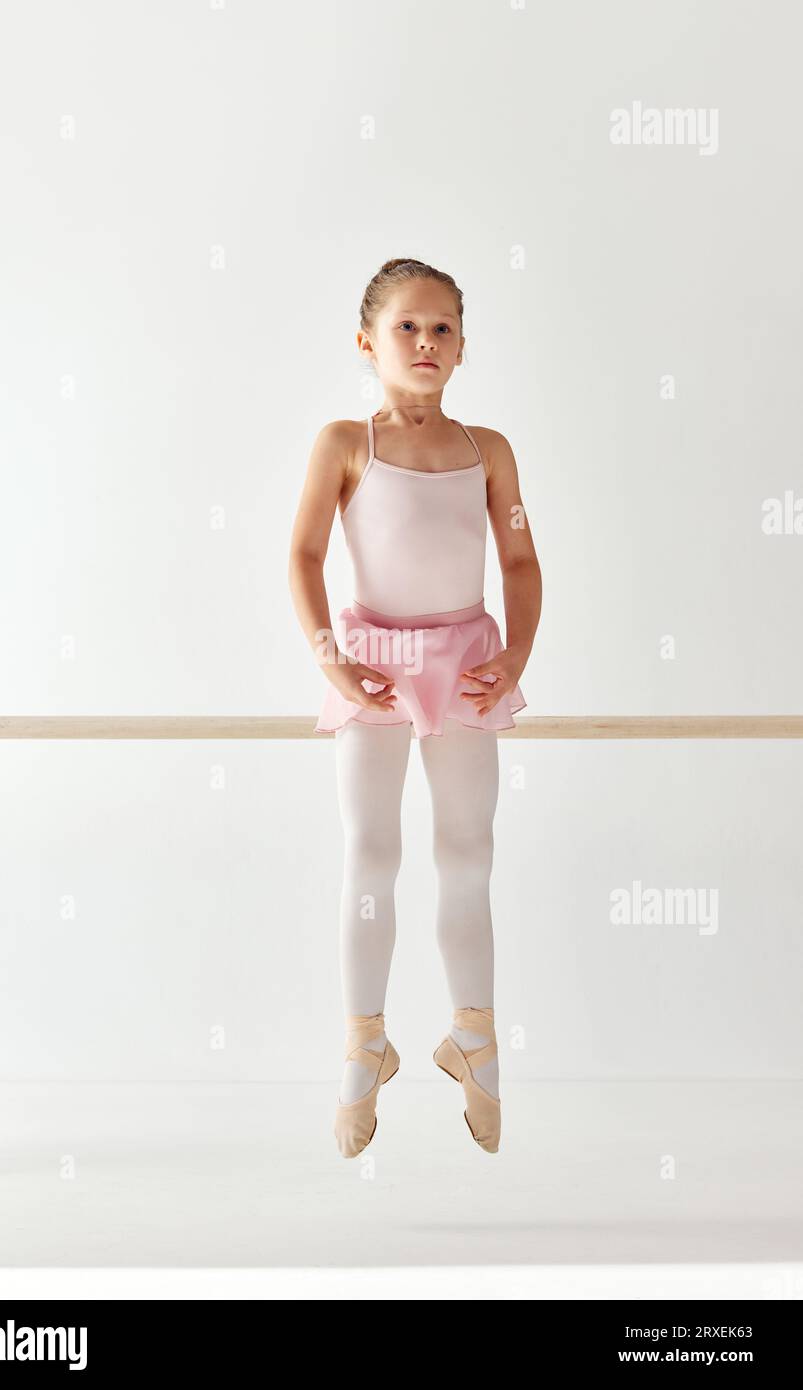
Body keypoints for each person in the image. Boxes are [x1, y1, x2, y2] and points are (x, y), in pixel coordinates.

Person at [288, 258, 542, 1158]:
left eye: (441, 329)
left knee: (468, 850)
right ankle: (364, 1041)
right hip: (376, 663)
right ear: (367, 342)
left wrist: (513, 652)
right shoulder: (344, 443)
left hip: (468, 661)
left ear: (463, 346)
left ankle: (473, 1035)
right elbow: (305, 555)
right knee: (371, 851)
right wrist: (333, 657)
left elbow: (517, 562)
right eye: (406, 327)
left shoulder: (488, 450)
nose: (425, 342)